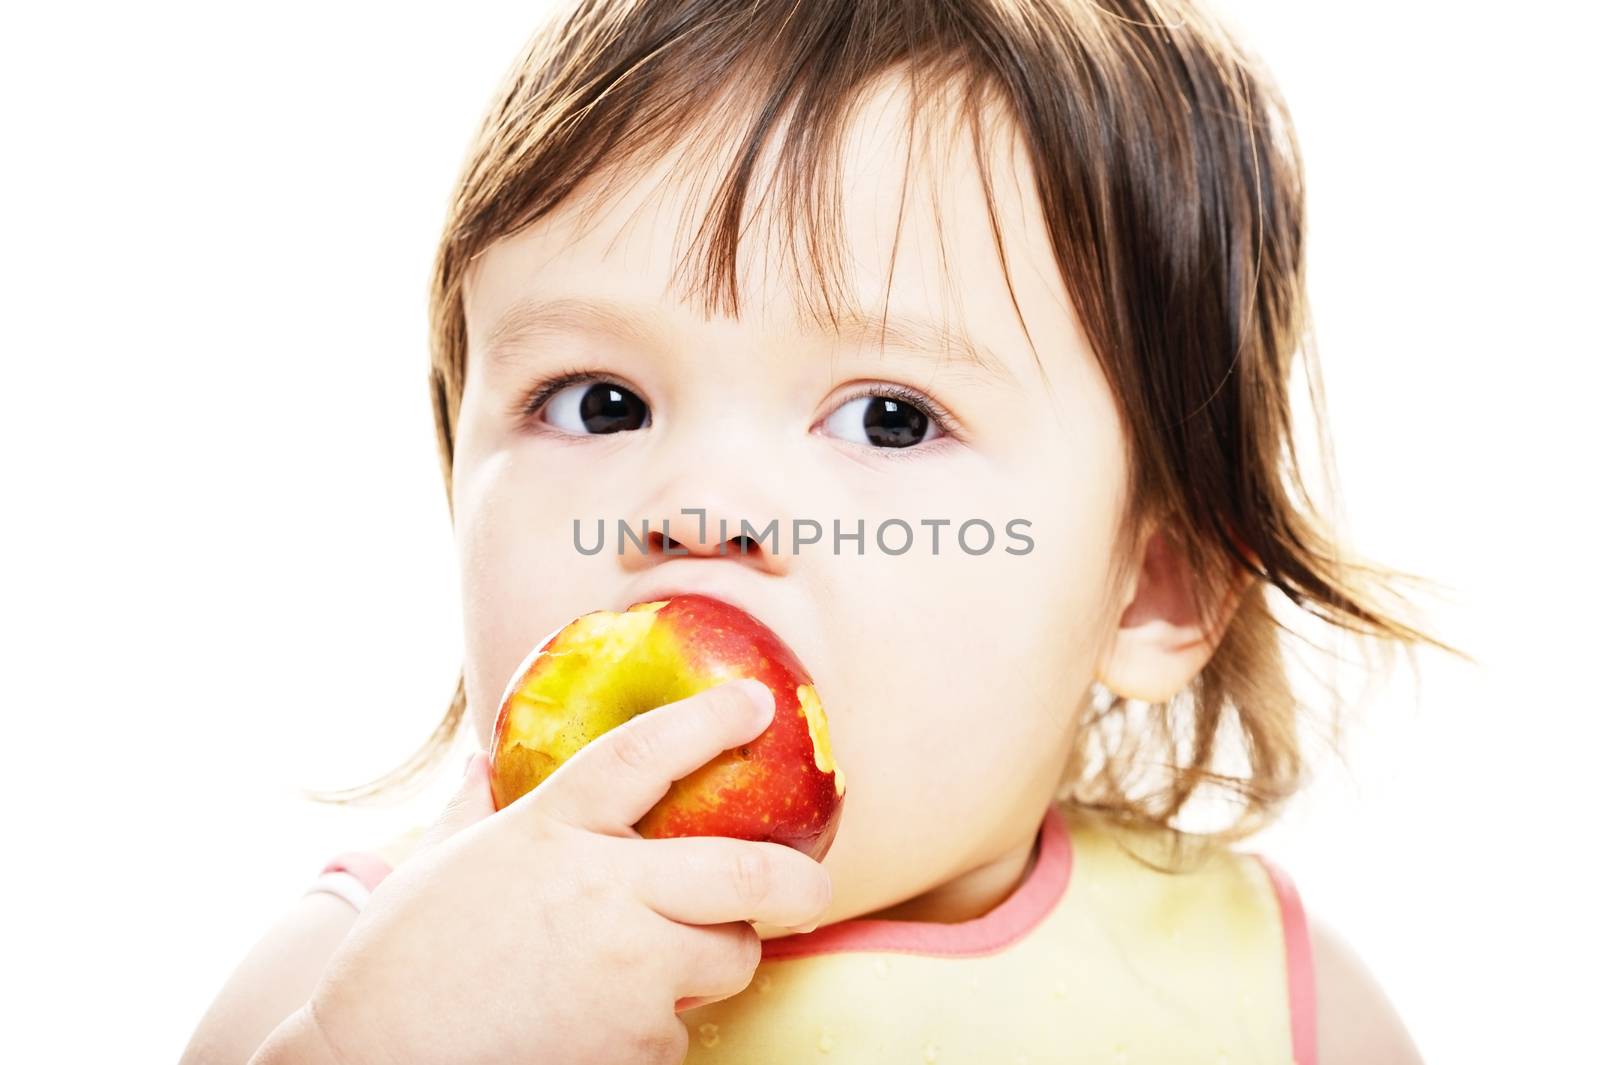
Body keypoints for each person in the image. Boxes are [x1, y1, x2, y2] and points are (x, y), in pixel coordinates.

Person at [181, 1, 1464, 1061]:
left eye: (891, 420)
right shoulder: (366, 977)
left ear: (1151, 587)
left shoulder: (1276, 1009)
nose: (701, 511)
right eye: (600, 402)